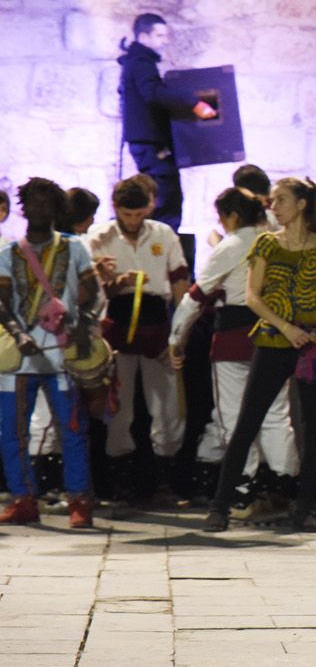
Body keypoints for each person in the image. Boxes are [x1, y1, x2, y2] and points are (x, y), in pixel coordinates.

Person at [202, 178, 316, 533]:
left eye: (281, 200)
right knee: (248, 422)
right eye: (272, 201)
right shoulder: (267, 243)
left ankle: (305, 508)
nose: (273, 206)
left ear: (301, 204)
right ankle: (220, 506)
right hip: (274, 340)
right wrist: (286, 328)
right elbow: (253, 296)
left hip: (314, 344)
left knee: (312, 430)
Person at [168, 188, 298, 520]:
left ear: (233, 216)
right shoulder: (277, 240)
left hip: (234, 339)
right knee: (275, 414)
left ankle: (244, 490)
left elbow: (197, 296)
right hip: (274, 335)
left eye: (222, 217)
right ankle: (283, 488)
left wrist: (176, 338)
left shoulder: (233, 245)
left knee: (233, 416)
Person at [0, 178, 100, 527]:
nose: (40, 210)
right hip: (19, 359)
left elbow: (92, 292)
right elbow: (1, 303)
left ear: (57, 209)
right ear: (24, 207)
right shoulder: (8, 254)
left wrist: (83, 327)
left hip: (62, 355)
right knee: (12, 431)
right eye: (35, 203)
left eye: (47, 204)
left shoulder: (74, 249)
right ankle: (23, 497)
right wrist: (17, 333)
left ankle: (79, 500)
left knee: (71, 428)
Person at [88, 176, 190, 501]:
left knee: (167, 404)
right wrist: (112, 280)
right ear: (116, 208)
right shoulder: (98, 236)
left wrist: (180, 332)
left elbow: (178, 281)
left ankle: (165, 480)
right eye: (127, 214)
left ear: (149, 206)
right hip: (116, 322)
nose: (133, 221)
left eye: (138, 214)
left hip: (156, 321)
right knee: (119, 405)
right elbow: (87, 288)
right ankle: (120, 480)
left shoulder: (162, 234)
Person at [117, 13, 216, 228]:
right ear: (143, 36)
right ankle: (163, 249)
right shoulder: (142, 62)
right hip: (150, 143)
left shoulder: (135, 61)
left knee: (162, 196)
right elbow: (152, 93)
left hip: (146, 142)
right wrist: (193, 102)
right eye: (160, 35)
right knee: (167, 198)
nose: (165, 41)